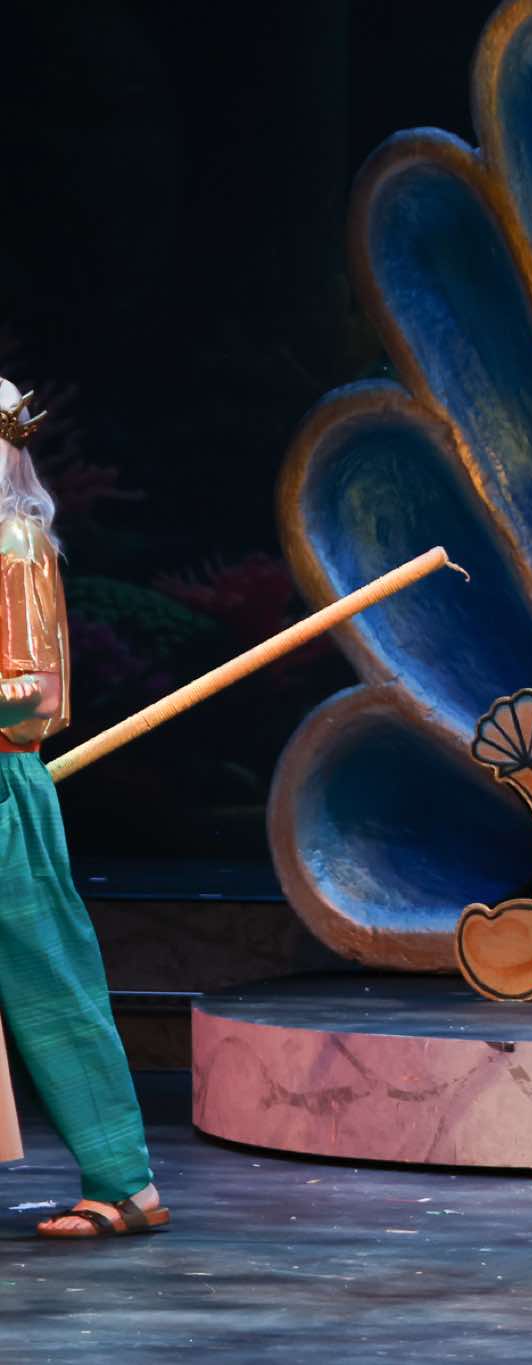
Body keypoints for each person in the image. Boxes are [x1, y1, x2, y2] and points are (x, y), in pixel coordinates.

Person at [0, 378, 169, 1238]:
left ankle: (125, 1182)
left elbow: (36, 694)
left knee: (49, 981)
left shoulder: (15, 541)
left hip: (2, 786)